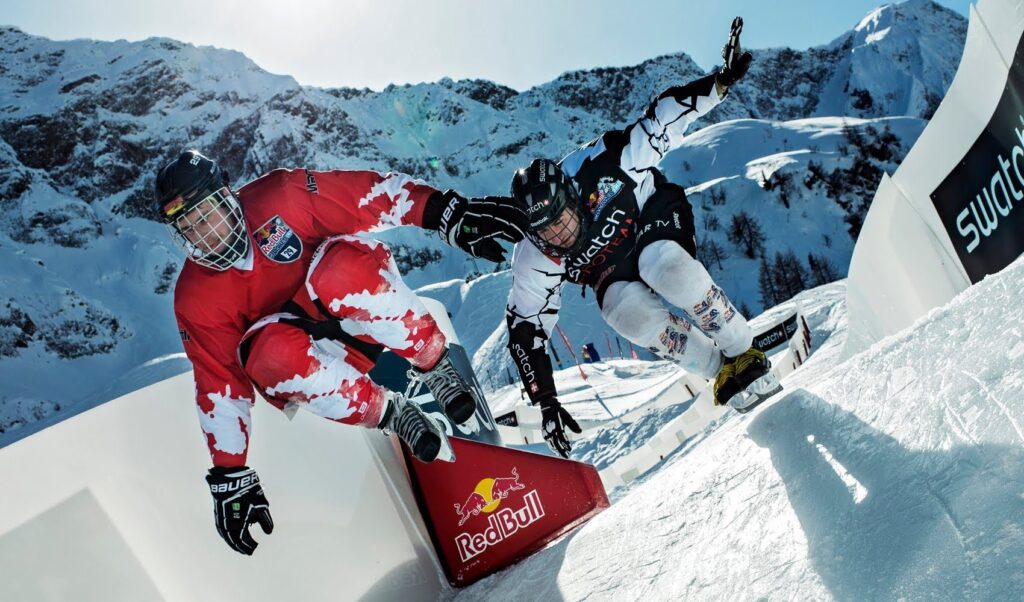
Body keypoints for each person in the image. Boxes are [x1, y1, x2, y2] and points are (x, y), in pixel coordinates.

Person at [155, 150, 525, 554]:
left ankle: (433, 364)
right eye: (188, 228)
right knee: (265, 356)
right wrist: (230, 475)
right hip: (319, 358)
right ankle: (393, 412)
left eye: (205, 216)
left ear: (226, 196)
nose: (203, 236)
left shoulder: (280, 196)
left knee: (339, 271)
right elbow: (219, 385)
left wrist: (441, 211)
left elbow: (360, 195)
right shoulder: (195, 297)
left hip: (360, 302)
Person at [505, 18, 772, 458]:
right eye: (549, 233)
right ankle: (718, 368)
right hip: (610, 268)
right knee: (625, 316)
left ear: (574, 194)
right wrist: (546, 401)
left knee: (664, 267)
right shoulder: (534, 256)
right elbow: (525, 327)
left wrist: (718, 84)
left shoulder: (606, 164)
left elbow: (661, 118)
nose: (562, 234)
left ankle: (741, 346)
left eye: (565, 219)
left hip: (651, 214)